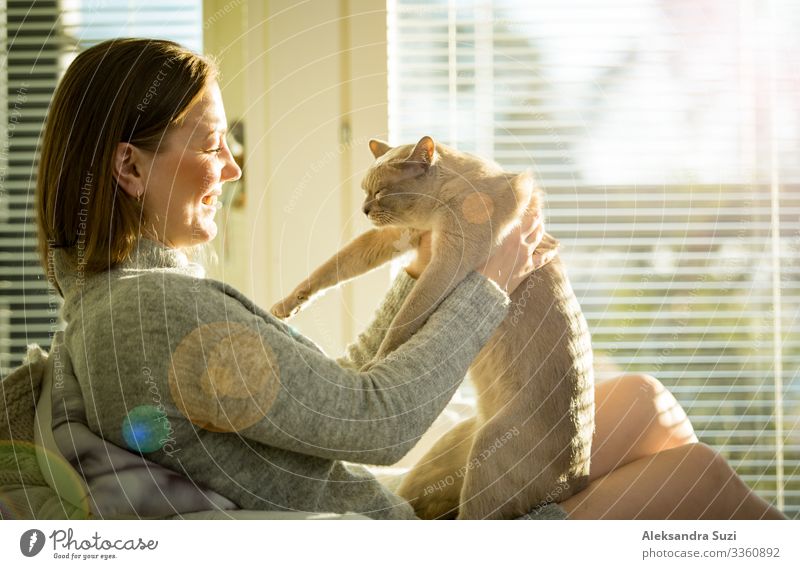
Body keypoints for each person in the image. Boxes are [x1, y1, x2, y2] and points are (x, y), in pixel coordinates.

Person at [35, 38, 786, 521]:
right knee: (702, 475)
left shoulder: (131, 306)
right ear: (129, 167)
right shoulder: (153, 315)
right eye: (211, 144)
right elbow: (379, 424)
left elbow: (339, 396)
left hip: (376, 507)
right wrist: (489, 283)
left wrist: (430, 264)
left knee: (641, 399)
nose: (232, 167)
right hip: (393, 540)